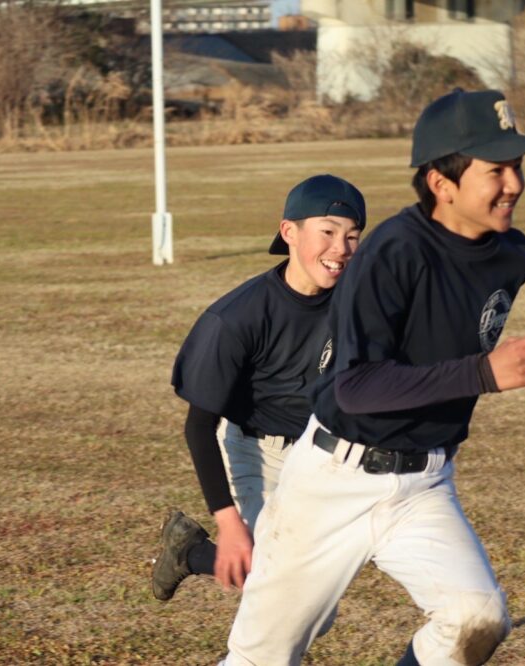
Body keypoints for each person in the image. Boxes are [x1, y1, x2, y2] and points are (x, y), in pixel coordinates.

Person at [220, 88, 525, 666]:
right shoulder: (392, 252)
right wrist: (483, 372)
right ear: (441, 182)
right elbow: (357, 386)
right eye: (496, 169)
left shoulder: (514, 254)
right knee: (262, 660)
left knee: (475, 619)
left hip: (424, 483)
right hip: (334, 477)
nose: (515, 184)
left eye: (519, 166)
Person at [151, 174, 366, 601]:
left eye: (353, 236)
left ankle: (194, 552)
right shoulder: (237, 318)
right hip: (257, 453)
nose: (341, 249)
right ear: (289, 231)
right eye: (327, 232)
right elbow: (198, 427)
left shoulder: (359, 302)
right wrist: (229, 524)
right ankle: (194, 553)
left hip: (323, 453)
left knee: (311, 600)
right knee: (289, 595)